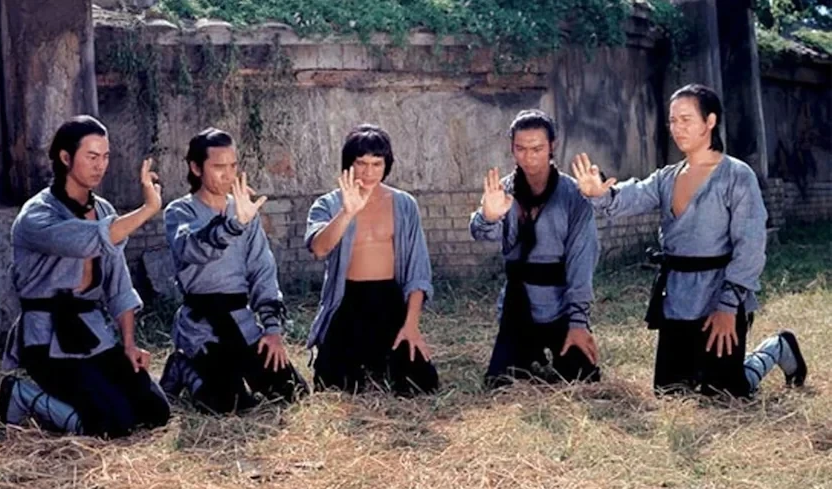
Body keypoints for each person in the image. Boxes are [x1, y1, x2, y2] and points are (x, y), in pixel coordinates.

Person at [572, 83, 807, 397]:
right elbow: (630, 197)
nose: (677, 128)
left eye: (686, 119)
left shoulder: (737, 176)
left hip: (719, 297)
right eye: (673, 120)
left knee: (725, 393)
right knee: (670, 392)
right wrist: (599, 194)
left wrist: (728, 305)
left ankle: (777, 347)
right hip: (678, 298)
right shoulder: (666, 177)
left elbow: (750, 246)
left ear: (710, 121)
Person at [0, 115, 170, 438]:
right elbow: (87, 240)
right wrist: (148, 209)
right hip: (47, 340)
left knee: (155, 410)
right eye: (91, 156)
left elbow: (119, 285)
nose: (100, 165)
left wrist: (129, 344)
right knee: (110, 424)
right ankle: (20, 393)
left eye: (105, 156)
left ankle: (87, 397)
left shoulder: (104, 211)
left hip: (92, 335)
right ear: (65, 157)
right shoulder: (37, 215)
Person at [158, 128, 308, 413]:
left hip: (242, 322)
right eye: (218, 167)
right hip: (203, 326)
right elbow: (192, 249)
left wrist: (272, 331)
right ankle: (183, 364)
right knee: (229, 404)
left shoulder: (244, 212)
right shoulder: (180, 211)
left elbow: (262, 270)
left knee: (291, 391)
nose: (228, 175)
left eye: (233, 166)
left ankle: (235, 368)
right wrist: (233, 224)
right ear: (196, 168)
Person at [470, 109, 601, 388]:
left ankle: (558, 349)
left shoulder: (573, 194)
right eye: (521, 149)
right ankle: (526, 354)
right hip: (518, 305)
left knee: (584, 379)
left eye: (537, 149)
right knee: (500, 384)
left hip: (561, 306)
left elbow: (582, 262)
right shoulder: (503, 191)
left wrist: (578, 323)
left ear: (552, 146)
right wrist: (488, 216)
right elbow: (480, 233)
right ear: (512, 148)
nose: (529, 157)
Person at [305, 124, 438, 395]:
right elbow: (319, 248)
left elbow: (418, 271)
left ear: (386, 165)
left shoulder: (404, 203)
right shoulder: (328, 204)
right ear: (349, 164)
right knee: (334, 384)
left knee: (421, 383)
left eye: (376, 164)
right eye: (361, 163)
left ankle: (383, 359)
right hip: (347, 299)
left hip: (388, 298)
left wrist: (411, 325)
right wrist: (347, 213)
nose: (368, 172)